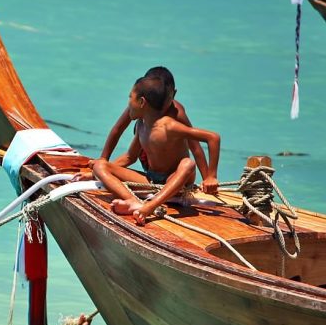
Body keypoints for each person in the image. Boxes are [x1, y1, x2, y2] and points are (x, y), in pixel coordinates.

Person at [93, 75, 220, 226]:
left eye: (130, 98)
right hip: (151, 180)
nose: (128, 104)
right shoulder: (141, 125)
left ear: (141, 102)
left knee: (187, 163)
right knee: (100, 165)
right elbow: (129, 157)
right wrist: (96, 173)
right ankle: (132, 201)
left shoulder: (169, 126)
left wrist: (210, 176)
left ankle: (149, 206)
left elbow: (213, 138)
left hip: (175, 180)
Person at [77, 66, 213, 194]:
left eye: (167, 98)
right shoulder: (140, 111)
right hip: (152, 167)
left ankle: (169, 190)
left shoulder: (176, 113)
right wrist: (103, 161)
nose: (162, 103)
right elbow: (118, 131)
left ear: (174, 94)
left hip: (175, 175)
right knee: (106, 164)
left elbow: (196, 147)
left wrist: (208, 178)